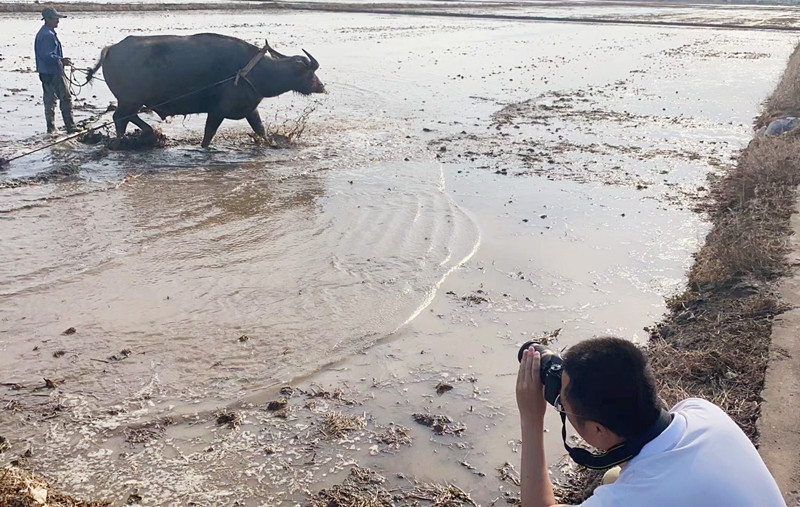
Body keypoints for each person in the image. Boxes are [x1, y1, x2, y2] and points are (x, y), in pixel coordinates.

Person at [516, 336, 786, 507]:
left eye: (563, 404)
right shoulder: (703, 411)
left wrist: (531, 417)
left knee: (612, 481)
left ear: (598, 429)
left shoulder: (630, 499)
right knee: (612, 477)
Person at [34, 7, 76, 134]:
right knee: (66, 98)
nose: (58, 21)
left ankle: (51, 128)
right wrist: (61, 60)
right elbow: (47, 56)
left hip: (44, 72)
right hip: (54, 72)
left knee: (49, 100)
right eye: (55, 18)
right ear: (47, 19)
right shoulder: (48, 35)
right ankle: (70, 127)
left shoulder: (44, 32)